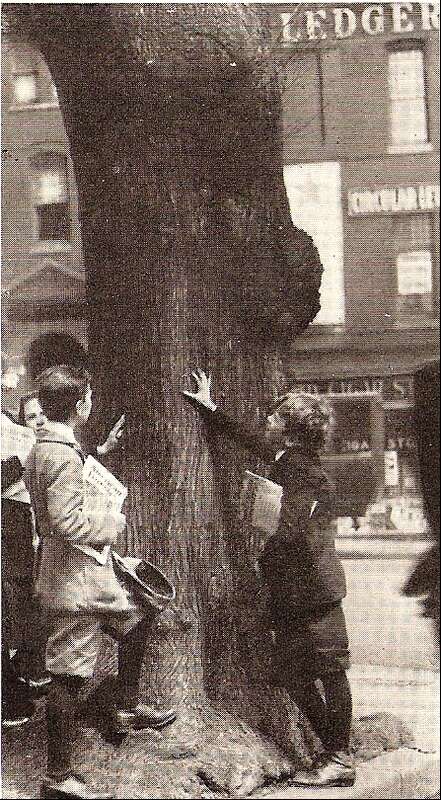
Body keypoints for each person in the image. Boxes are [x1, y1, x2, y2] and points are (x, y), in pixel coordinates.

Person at [183, 369, 355, 788]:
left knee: (327, 671)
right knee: (300, 672)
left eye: (276, 417)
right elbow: (254, 443)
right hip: (306, 590)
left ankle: (339, 756)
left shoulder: (301, 471)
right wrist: (211, 409)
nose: (268, 422)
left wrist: (262, 538)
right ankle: (334, 752)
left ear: (291, 430)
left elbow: (291, 529)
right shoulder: (292, 460)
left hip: (309, 590)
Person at [24, 365, 176, 800]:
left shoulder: (48, 446)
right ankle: (58, 777)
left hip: (80, 575)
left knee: (137, 618)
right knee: (68, 676)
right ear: (81, 405)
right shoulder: (60, 454)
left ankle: (125, 706)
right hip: (75, 582)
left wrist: (101, 455)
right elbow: (67, 520)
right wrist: (112, 522)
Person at [1, 354, 37, 727]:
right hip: (5, 521)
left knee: (18, 601)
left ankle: (20, 680)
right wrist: (20, 462)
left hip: (14, 522)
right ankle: (9, 696)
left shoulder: (9, 424)